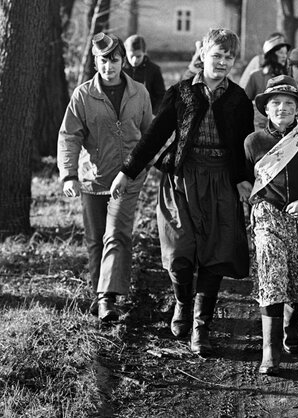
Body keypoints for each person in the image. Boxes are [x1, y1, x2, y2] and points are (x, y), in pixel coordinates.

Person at [109, 28, 254, 356]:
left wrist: (245, 179)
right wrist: (126, 172)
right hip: (181, 180)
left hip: (220, 183)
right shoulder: (181, 92)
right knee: (179, 254)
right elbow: (155, 136)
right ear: (203, 54)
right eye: (217, 55)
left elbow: (245, 145)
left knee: (215, 254)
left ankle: (201, 326)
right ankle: (182, 303)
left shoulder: (239, 99)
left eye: (229, 57)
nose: (222, 62)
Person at [58, 33, 153, 321]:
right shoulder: (83, 95)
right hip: (93, 178)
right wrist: (69, 175)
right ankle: (98, 292)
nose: (108, 66)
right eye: (102, 60)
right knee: (95, 240)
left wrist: (145, 166)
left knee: (117, 234)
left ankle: (107, 299)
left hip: (127, 178)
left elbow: (150, 133)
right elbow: (69, 136)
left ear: (123, 60)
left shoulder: (140, 93)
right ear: (95, 61)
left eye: (114, 60)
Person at [244, 75, 298, 375]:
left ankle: (291, 326)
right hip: (268, 217)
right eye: (275, 103)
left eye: (288, 104)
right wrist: (256, 203)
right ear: (266, 109)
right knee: (272, 276)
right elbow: (245, 182)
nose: (282, 108)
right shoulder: (253, 141)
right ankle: (269, 351)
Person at [242, 34, 291, 129]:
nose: (284, 56)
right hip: (259, 126)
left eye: (285, 53)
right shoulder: (256, 76)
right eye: (281, 53)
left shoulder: (288, 78)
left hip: (282, 126)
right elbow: (244, 104)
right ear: (271, 54)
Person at [123, 35, 166, 115]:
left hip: (146, 115)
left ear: (144, 53)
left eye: (138, 56)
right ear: (126, 53)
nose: (134, 60)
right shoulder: (120, 69)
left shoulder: (154, 70)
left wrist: (154, 114)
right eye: (131, 56)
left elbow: (161, 96)